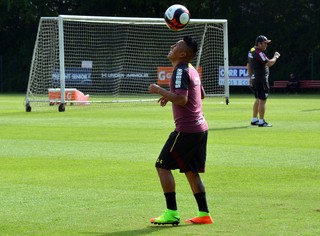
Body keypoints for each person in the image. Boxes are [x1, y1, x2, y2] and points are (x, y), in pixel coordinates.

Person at [148, 36, 213, 225]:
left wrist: (159, 90)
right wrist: (171, 96)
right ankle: (204, 214)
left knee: (162, 165)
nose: (171, 46)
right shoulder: (191, 70)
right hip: (201, 128)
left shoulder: (180, 71)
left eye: (175, 45)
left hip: (187, 130)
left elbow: (183, 100)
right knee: (191, 171)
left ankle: (171, 212)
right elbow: (200, 94)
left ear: (182, 53)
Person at [247, 35, 281, 127]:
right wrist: (276, 56)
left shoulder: (251, 51)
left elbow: (248, 65)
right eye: (265, 43)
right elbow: (269, 63)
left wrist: (250, 77)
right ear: (259, 43)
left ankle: (254, 119)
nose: (266, 45)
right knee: (263, 100)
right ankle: (262, 121)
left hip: (255, 78)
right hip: (261, 79)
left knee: (258, 99)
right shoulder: (259, 53)